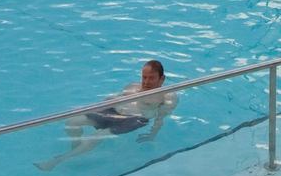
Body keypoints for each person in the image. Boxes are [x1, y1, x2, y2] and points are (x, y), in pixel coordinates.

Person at [36, 60, 178, 169]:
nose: (146, 82)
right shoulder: (133, 86)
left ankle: (57, 161)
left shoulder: (167, 96)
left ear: (162, 79)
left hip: (133, 119)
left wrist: (152, 134)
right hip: (112, 112)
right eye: (144, 77)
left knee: (97, 136)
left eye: (151, 78)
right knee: (72, 122)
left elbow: (160, 117)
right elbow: (112, 98)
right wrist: (96, 109)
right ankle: (76, 147)